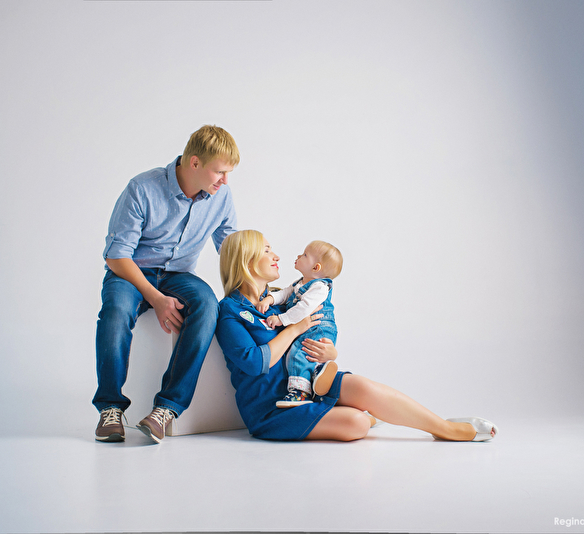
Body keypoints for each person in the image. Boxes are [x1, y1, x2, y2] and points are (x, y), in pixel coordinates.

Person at [215, 229, 498, 442]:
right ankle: (373, 415)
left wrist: (329, 351)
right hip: (272, 409)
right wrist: (294, 329)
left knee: (362, 387)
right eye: (266, 251)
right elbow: (255, 362)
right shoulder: (230, 311)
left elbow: (312, 332)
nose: (276, 256)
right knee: (357, 423)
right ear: (246, 261)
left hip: (309, 383)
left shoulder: (282, 300)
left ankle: (445, 428)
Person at [92, 125, 239, 443]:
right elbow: (116, 256)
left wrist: (256, 290)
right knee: (116, 311)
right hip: (131, 272)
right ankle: (110, 408)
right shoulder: (142, 188)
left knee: (207, 305)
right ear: (195, 163)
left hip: (178, 276)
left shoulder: (221, 197)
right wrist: (156, 298)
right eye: (220, 172)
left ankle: (166, 409)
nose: (225, 181)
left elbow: (231, 250)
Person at [255, 241, 342, 408]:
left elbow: (304, 308)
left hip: (318, 327)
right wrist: (269, 299)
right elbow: (284, 294)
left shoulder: (320, 287)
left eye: (304, 255)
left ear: (316, 267)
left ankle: (300, 392)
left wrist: (281, 319)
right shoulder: (300, 283)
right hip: (310, 327)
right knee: (306, 356)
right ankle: (318, 375)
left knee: (298, 354)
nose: (298, 256)